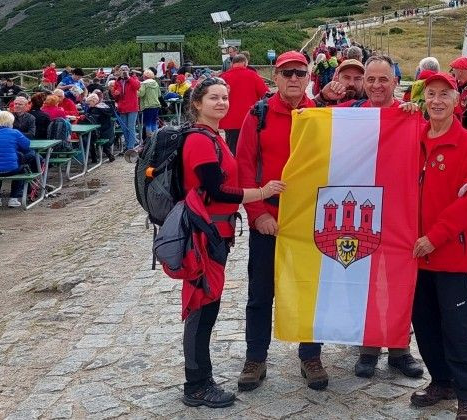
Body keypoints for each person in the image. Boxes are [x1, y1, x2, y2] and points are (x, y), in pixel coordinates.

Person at [178, 77, 285, 408]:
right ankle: (196, 384)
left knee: (207, 305)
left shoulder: (214, 136)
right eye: (214, 98)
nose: (222, 103)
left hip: (215, 233)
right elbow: (217, 190)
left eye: (225, 97)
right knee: (201, 306)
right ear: (197, 103)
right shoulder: (199, 140)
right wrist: (262, 193)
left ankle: (200, 378)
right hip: (203, 234)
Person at [235, 51, 332, 392]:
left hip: (309, 220)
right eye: (286, 73)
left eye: (300, 73)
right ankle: (255, 357)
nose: (293, 78)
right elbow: (244, 166)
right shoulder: (258, 115)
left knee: (310, 290)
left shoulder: (320, 115)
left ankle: (311, 355)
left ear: (308, 77)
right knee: (261, 293)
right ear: (275, 77)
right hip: (269, 218)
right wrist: (257, 213)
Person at [411, 72, 467, 420]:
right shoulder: (413, 138)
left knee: (457, 327)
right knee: (425, 323)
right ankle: (441, 381)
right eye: (431, 94)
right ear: (423, 98)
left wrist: (435, 237)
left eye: (444, 94)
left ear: (457, 101)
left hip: (450, 254)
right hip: (415, 254)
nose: (437, 100)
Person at [349, 56, 425, 378]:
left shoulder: (408, 115)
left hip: (400, 212)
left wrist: (416, 114)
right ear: (364, 83)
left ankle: (399, 348)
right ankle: (368, 347)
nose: (377, 85)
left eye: (383, 79)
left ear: (395, 82)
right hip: (363, 211)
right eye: (371, 79)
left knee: (399, 282)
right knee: (364, 281)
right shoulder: (353, 115)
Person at [0, 110, 36, 207]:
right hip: (10, 169)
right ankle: (13, 198)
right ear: (11, 121)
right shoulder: (15, 133)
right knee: (25, 163)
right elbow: (26, 145)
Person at [219, 53, 270, 152]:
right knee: (249, 151)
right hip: (249, 120)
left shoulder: (223, 78)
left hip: (229, 122)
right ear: (245, 63)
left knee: (232, 150)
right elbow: (266, 95)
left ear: (232, 64)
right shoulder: (252, 75)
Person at [109, 65, 141, 157]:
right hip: (122, 107)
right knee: (124, 128)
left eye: (125, 70)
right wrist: (116, 94)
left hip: (132, 107)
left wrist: (128, 77)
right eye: (122, 70)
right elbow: (115, 95)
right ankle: (128, 146)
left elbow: (137, 86)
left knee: (131, 127)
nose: (123, 71)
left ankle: (130, 147)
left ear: (128, 70)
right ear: (119, 71)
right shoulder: (118, 81)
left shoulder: (133, 78)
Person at [139, 69, 162, 141]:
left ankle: (149, 140)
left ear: (144, 76)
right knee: (154, 122)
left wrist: (136, 91)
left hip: (147, 105)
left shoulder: (144, 84)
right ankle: (156, 138)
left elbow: (141, 94)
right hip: (156, 105)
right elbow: (159, 94)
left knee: (148, 123)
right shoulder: (156, 83)